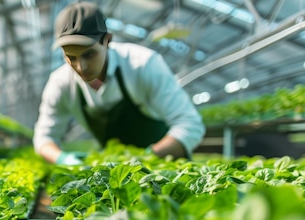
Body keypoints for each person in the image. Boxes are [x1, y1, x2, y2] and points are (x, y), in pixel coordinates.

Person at [33, 1, 206, 165]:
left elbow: (190, 124)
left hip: (163, 171)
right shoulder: (61, 82)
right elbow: (44, 137)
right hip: (115, 177)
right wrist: (62, 158)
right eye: (71, 57)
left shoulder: (143, 65)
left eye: (89, 55)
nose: (80, 66)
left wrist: (147, 158)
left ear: (107, 40)